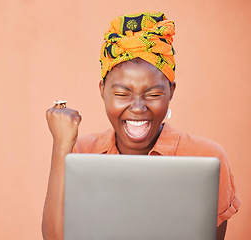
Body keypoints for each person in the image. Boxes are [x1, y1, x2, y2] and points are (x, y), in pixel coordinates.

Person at [42, 12, 240, 240]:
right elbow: (55, 238)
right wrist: (61, 144)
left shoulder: (207, 156)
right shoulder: (80, 152)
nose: (137, 107)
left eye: (153, 94)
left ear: (171, 92)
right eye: (121, 93)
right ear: (102, 91)